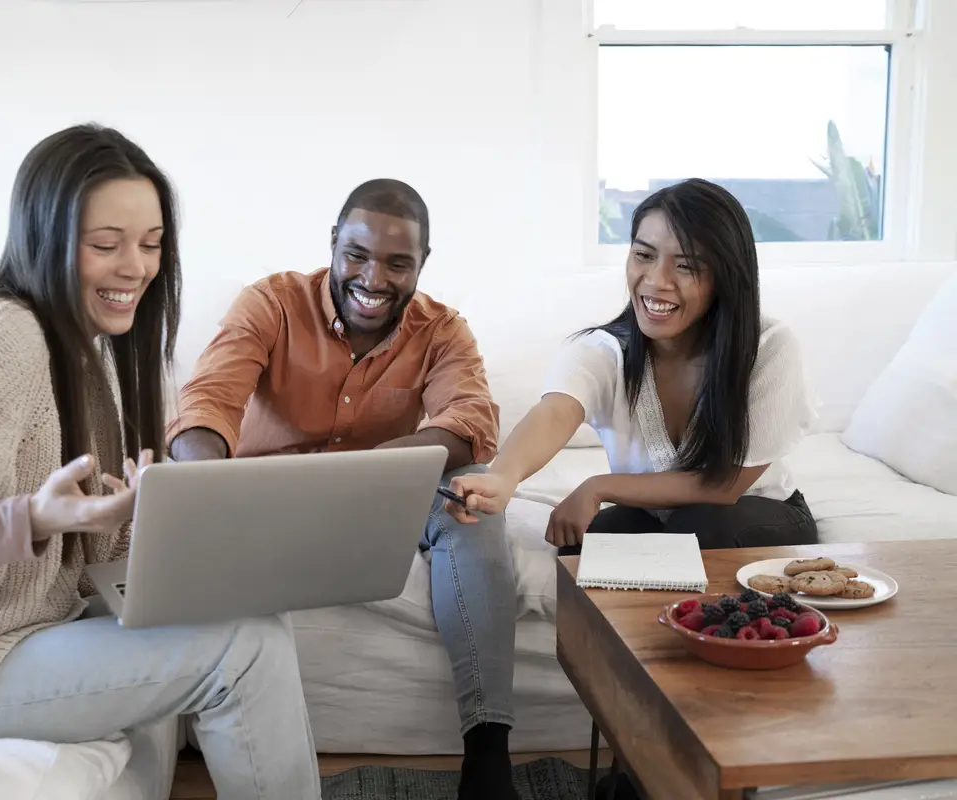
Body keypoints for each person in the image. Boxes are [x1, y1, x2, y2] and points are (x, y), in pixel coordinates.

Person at [0, 124, 321, 800]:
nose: (136, 266)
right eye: (106, 245)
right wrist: (32, 518)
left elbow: (99, 547)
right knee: (243, 647)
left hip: (4, 639)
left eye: (152, 245)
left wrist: (182, 536)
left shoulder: (103, 355)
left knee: (234, 618)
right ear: (46, 237)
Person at [166, 179, 520, 799]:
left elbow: (471, 423)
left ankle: (487, 757)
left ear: (422, 264)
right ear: (333, 243)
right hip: (272, 494)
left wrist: (371, 468)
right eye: (357, 254)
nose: (373, 278)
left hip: (382, 497)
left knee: (473, 501)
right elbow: (206, 405)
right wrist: (207, 485)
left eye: (397, 262)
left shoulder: (441, 330)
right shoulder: (270, 303)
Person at [448, 178, 818, 555]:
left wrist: (599, 486)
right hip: (664, 518)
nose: (656, 281)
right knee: (586, 541)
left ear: (725, 275)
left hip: (760, 513)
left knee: (699, 526)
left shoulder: (768, 346)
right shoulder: (605, 350)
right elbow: (556, 411)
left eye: (686, 265)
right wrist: (503, 477)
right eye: (643, 255)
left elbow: (726, 486)